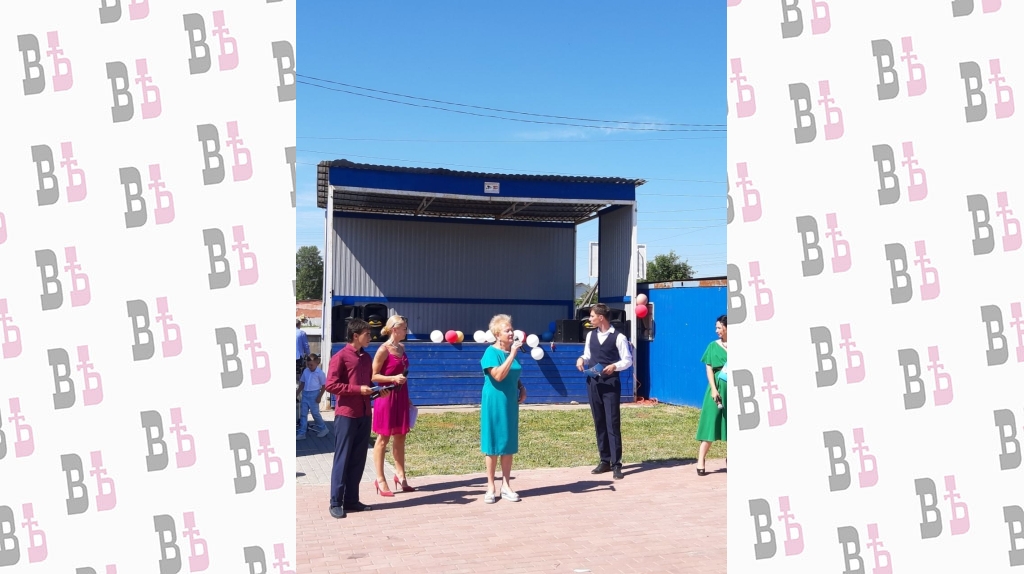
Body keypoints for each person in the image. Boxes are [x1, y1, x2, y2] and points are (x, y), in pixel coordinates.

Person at [324, 319, 389, 519]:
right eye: (367, 334)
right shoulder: (340, 357)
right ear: (355, 335)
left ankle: (352, 500)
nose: (370, 337)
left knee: (358, 459)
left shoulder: (366, 358)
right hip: (346, 415)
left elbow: (367, 386)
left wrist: (378, 392)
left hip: (364, 413)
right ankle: (336, 502)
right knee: (342, 459)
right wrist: (357, 389)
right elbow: (330, 385)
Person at [575, 303, 633, 480]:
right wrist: (581, 359)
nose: (590, 319)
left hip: (610, 384)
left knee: (612, 423)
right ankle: (604, 460)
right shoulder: (590, 335)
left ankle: (617, 464)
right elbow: (587, 354)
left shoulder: (619, 337)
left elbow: (628, 360)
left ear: (601, 317)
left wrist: (615, 366)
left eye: (592, 316)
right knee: (599, 421)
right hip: (593, 382)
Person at [479, 314, 527, 504]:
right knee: (492, 444)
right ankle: (490, 486)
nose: (511, 333)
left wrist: (521, 387)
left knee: (508, 442)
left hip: (510, 401)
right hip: (494, 401)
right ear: (497, 334)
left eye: (511, 329)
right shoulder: (491, 353)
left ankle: (506, 485)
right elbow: (498, 375)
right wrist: (512, 354)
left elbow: (512, 373)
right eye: (507, 330)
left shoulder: (511, 351)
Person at [371, 315, 415, 496]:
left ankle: (400, 475)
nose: (406, 331)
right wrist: (393, 378)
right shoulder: (383, 349)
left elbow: (403, 374)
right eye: (404, 328)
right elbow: (374, 376)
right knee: (383, 439)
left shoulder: (401, 347)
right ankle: (380, 479)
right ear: (394, 329)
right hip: (386, 397)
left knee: (401, 436)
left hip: (401, 396)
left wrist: (407, 397)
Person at [695, 314, 728, 476]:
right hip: (717, 388)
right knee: (710, 423)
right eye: (716, 327)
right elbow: (709, 368)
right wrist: (714, 389)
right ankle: (701, 460)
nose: (716, 330)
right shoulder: (712, 346)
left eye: (719, 327)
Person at [296, 354, 329, 440]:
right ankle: (302, 433)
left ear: (317, 363)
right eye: (308, 364)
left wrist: (319, 396)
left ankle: (323, 428)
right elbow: (302, 383)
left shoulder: (320, 373)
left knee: (315, 413)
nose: (309, 366)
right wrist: (296, 393)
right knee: (303, 414)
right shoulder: (306, 371)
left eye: (311, 365)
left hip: (314, 395)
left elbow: (324, 386)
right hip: (305, 394)